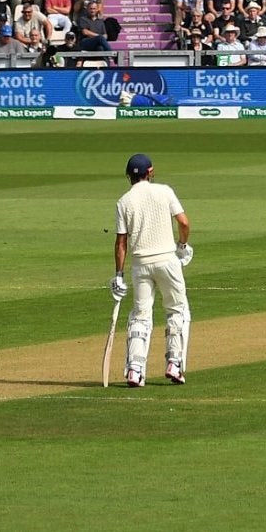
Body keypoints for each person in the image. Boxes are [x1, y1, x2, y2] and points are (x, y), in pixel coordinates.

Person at [112, 152, 192, 386]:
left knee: (140, 315)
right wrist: (183, 246)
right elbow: (184, 222)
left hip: (140, 265)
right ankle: (174, 363)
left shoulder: (123, 201)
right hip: (168, 260)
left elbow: (121, 242)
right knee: (177, 310)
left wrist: (119, 274)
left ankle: (135, 370)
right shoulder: (165, 191)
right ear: (150, 172)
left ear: (129, 176)